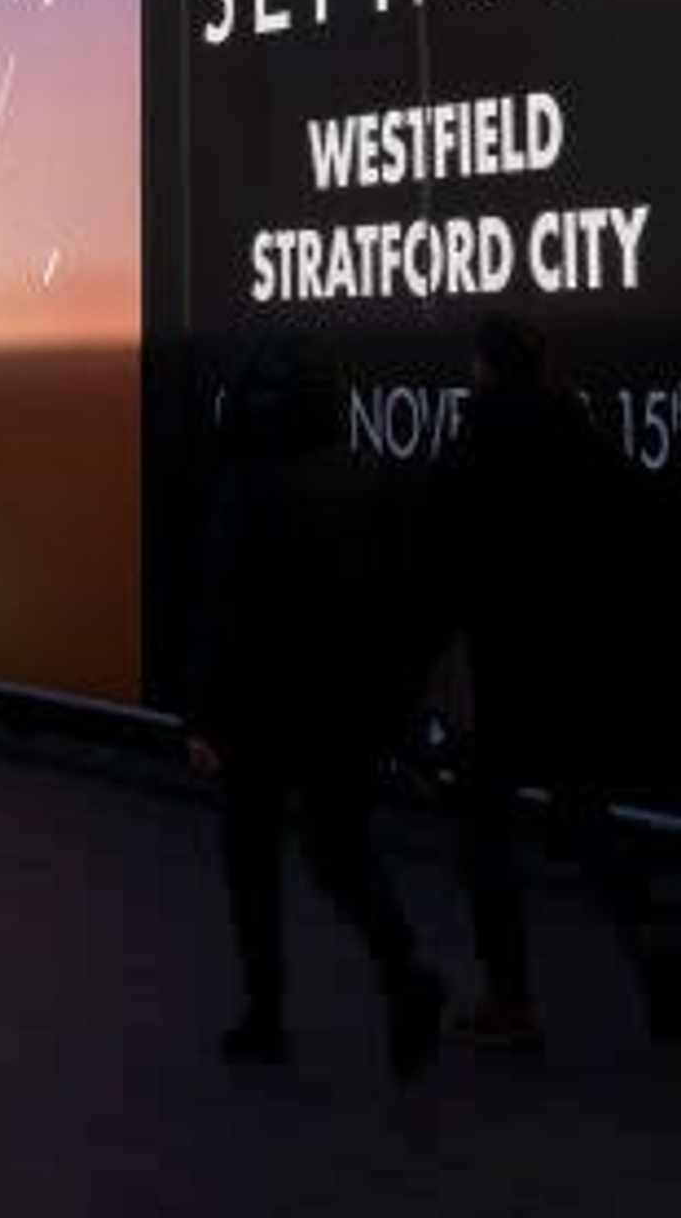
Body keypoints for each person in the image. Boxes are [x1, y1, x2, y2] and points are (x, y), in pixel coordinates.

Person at [183, 332, 445, 1078]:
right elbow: (411, 603)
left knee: (252, 862)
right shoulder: (373, 476)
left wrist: (204, 715)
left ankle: (266, 1016)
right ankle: (404, 973)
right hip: (347, 707)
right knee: (345, 856)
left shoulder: (247, 483)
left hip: (261, 709)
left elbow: (223, 607)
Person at [429, 312, 681, 1050]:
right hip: (577, 663)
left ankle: (509, 999)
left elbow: (439, 559)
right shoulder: (586, 442)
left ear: (482, 365)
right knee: (584, 809)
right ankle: (647, 939)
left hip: (498, 663)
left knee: (484, 835)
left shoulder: (470, 443)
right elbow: (640, 539)